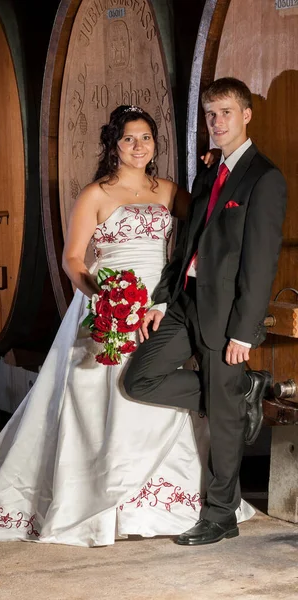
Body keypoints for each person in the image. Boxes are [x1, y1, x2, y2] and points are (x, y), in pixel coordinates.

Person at [0, 104, 255, 546]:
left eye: (146, 138)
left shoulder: (167, 190)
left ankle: (161, 496)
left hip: (158, 303)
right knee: (98, 392)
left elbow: (204, 222)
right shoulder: (95, 194)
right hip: (107, 298)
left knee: (154, 386)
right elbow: (73, 259)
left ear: (155, 145)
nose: (138, 146)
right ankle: (101, 499)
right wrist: (100, 294)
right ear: (113, 145)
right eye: (128, 138)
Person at [124, 78, 287, 546]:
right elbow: (189, 241)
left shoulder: (264, 178)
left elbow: (260, 263)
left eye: (226, 113)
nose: (217, 123)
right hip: (184, 301)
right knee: (141, 378)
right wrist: (161, 297)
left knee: (222, 418)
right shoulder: (209, 170)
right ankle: (239, 396)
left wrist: (245, 332)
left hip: (226, 316)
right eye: (210, 115)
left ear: (246, 115)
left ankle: (220, 515)